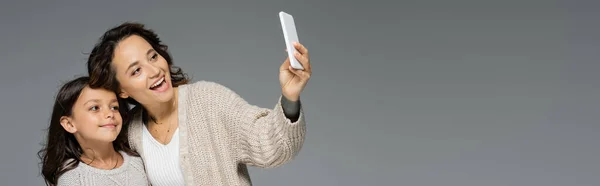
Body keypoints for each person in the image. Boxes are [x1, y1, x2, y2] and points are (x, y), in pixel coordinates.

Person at [86, 22, 312, 185]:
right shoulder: (129, 134)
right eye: (136, 70)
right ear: (122, 91)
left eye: (153, 56)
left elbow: (272, 146)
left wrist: (289, 97)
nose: (155, 71)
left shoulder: (207, 101)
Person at [38, 76, 149, 186]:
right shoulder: (72, 179)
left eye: (114, 107)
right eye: (95, 108)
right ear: (69, 124)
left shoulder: (137, 159)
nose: (110, 113)